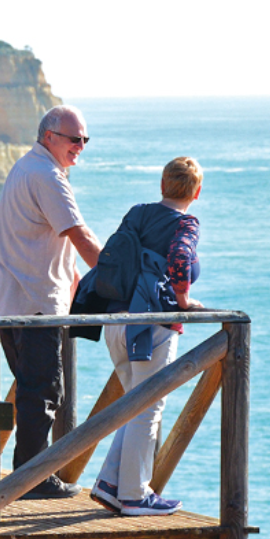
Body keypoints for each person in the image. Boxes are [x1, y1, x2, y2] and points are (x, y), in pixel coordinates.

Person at [0, 104, 102, 499]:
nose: (81, 146)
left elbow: (51, 240)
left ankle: (27, 474)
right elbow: (79, 235)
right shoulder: (48, 176)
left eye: (85, 139)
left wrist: (74, 280)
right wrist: (116, 275)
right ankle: (30, 479)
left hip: (8, 299)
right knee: (45, 392)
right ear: (49, 136)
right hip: (34, 301)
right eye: (75, 139)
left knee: (34, 388)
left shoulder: (24, 168)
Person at [90, 156, 204, 516]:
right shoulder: (186, 223)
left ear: (162, 186)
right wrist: (183, 300)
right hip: (151, 325)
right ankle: (135, 496)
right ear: (196, 192)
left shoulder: (138, 212)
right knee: (147, 407)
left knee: (134, 404)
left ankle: (110, 483)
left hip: (116, 319)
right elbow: (181, 257)